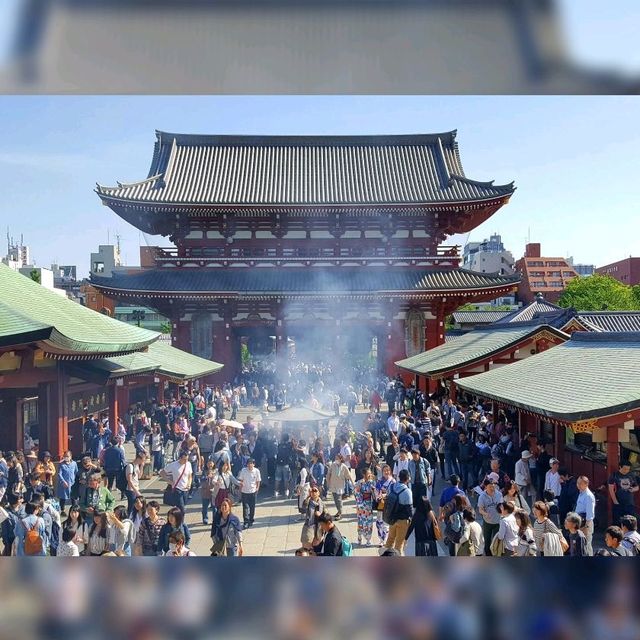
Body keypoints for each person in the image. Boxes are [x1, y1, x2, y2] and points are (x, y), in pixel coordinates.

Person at [384, 469, 413, 556]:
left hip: (392, 518)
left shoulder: (391, 486)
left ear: (399, 477)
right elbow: (409, 510)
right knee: (399, 544)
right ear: (407, 479)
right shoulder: (407, 491)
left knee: (390, 539)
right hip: (402, 521)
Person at [477, 480, 503, 556]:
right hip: (487, 522)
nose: (492, 488)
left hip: (497, 522)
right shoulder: (482, 496)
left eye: (493, 486)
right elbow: (480, 509)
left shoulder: (499, 494)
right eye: (490, 486)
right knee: (487, 541)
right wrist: (485, 513)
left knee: (495, 541)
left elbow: (502, 505)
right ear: (485, 487)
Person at [354, 468, 376, 546]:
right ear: (364, 474)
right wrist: (361, 500)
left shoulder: (372, 483)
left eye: (370, 473)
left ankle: (368, 540)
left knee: (369, 523)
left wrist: (373, 491)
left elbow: (375, 496)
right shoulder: (359, 483)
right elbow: (357, 493)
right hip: (361, 507)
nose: (369, 475)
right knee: (361, 522)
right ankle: (359, 537)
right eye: (368, 473)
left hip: (369, 505)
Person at [326, 453, 351, 521]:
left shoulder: (343, 466)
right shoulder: (332, 465)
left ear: (341, 459)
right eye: (335, 458)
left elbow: (348, 475)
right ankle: (338, 511)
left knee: (339, 499)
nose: (336, 460)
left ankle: (340, 513)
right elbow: (328, 474)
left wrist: (352, 483)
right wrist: (328, 482)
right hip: (333, 485)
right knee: (335, 499)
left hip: (340, 486)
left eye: (337, 458)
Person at [575, 475, 596, 556]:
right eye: (577, 483)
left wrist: (586, 527)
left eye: (580, 483)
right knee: (581, 546)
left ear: (586, 484)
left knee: (586, 545)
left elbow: (590, 514)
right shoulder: (581, 493)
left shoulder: (588, 496)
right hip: (579, 522)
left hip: (586, 524)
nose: (578, 485)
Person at [238, 458, 261, 528]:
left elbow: (258, 481)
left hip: (253, 491)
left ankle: (251, 519)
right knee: (245, 507)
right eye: (248, 463)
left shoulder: (256, 471)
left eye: (251, 463)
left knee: (252, 507)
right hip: (245, 491)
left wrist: (257, 488)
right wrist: (240, 490)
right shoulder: (243, 471)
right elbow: (241, 480)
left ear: (254, 464)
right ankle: (246, 521)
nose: (250, 465)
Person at [374, 464, 394, 546]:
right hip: (380, 504)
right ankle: (381, 538)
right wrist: (378, 496)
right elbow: (376, 491)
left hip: (388, 504)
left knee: (386, 524)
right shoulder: (379, 481)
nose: (386, 472)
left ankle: (384, 540)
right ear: (382, 472)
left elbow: (394, 493)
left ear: (390, 471)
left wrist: (386, 495)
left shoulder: (393, 481)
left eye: (388, 470)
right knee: (379, 522)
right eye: (385, 470)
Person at [300, 486, 325, 550]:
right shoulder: (308, 502)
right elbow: (303, 509)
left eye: (315, 491)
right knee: (306, 547)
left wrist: (320, 516)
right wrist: (308, 496)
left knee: (317, 548)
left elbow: (327, 517)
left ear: (319, 493)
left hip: (319, 528)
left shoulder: (321, 503)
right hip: (309, 526)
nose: (313, 492)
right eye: (312, 491)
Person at [55, 451, 78, 516]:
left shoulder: (74, 463)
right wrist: (63, 481)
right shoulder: (61, 464)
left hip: (72, 483)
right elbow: (59, 474)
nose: (66, 457)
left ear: (71, 456)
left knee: (73, 497)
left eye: (67, 456)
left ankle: (74, 510)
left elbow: (76, 472)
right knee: (63, 498)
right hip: (63, 484)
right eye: (65, 456)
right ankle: (62, 510)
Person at [200, 460, 219, 525]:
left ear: (214, 464)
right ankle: (205, 518)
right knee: (205, 507)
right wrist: (206, 477)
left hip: (214, 492)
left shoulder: (216, 471)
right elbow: (201, 480)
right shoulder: (204, 471)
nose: (210, 465)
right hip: (205, 492)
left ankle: (215, 519)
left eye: (211, 463)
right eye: (208, 463)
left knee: (214, 507)